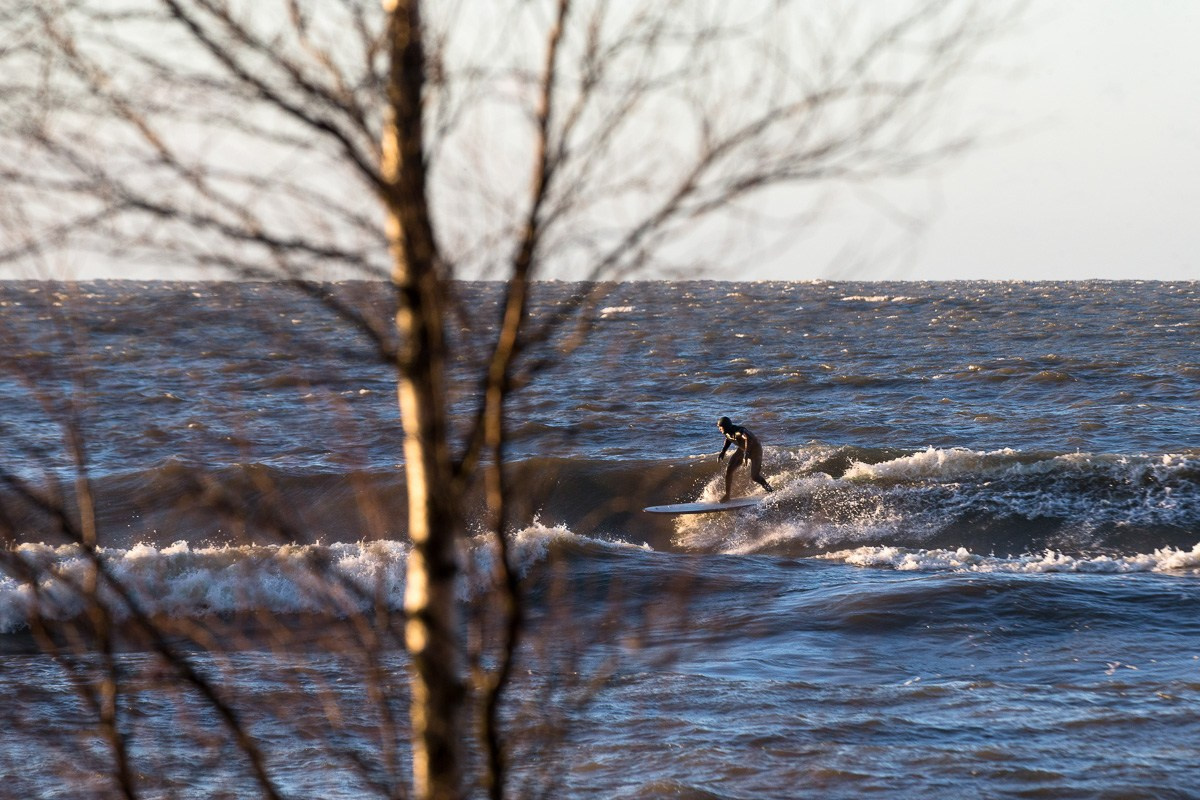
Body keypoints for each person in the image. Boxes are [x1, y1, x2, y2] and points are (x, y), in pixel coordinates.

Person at [716, 416, 773, 502]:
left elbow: (747, 437)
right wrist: (723, 451)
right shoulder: (726, 432)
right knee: (729, 471)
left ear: (726, 426)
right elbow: (728, 439)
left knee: (755, 476)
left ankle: (770, 490)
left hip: (756, 451)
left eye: (720, 427)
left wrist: (747, 452)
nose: (719, 429)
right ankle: (727, 495)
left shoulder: (738, 431)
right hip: (742, 450)